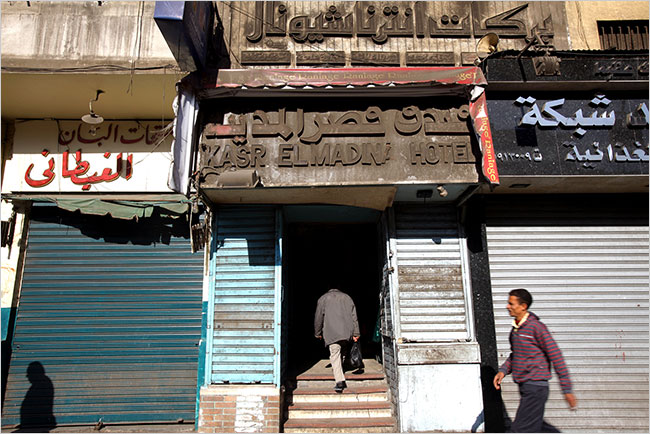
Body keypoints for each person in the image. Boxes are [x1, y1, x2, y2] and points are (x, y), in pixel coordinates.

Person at [493, 288, 577, 433]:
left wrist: (567, 389)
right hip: (526, 386)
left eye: (511, 304)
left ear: (523, 306)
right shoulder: (516, 329)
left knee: (519, 429)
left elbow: (556, 356)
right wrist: (503, 371)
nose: (508, 307)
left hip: (536, 387)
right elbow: (516, 355)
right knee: (539, 427)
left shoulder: (536, 328)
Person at [314, 287, 360, 393]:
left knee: (335, 354)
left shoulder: (323, 299)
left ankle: (340, 381)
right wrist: (356, 333)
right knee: (342, 351)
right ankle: (340, 370)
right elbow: (354, 317)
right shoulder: (347, 298)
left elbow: (318, 317)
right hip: (346, 332)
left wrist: (318, 333)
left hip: (332, 332)